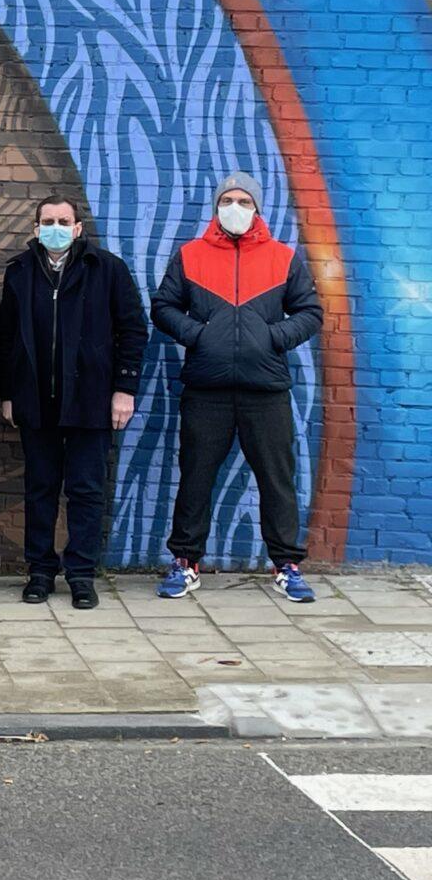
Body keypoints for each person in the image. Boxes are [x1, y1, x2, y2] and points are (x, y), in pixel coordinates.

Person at [150, 170, 322, 603]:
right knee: (196, 477)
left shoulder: (283, 258)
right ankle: (185, 562)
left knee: (276, 480)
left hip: (266, 391)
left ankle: (286, 565)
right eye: (228, 200)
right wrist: (199, 334)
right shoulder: (190, 255)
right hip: (206, 389)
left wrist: (273, 335)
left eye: (245, 201)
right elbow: (164, 307)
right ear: (216, 206)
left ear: (258, 208)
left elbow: (310, 312)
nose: (236, 208)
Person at [0, 196, 148, 610]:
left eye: (64, 221)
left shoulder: (107, 269)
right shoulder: (20, 272)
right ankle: (40, 571)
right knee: (40, 488)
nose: (56, 228)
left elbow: (133, 331)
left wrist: (124, 389)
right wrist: (8, 392)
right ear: (36, 227)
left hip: (91, 399)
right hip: (35, 400)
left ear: (78, 228)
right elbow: (6, 338)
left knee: (85, 489)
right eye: (48, 221)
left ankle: (81, 573)